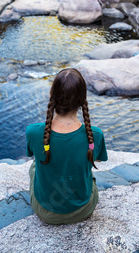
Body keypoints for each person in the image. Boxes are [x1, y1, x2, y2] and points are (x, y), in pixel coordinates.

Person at [26, 67, 108, 225]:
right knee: (87, 172)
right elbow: (97, 160)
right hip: (82, 210)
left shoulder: (34, 132)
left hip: (45, 212)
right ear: (82, 99)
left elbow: (32, 153)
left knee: (35, 165)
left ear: (52, 95)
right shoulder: (95, 135)